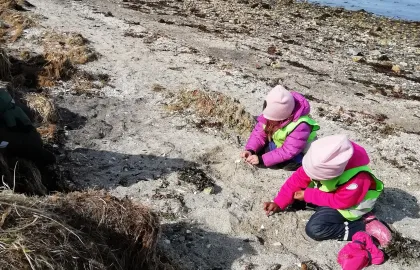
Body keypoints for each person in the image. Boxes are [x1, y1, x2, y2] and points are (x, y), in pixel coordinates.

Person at [263, 134, 392, 247]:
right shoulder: (321, 159)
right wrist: (279, 202)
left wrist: (309, 195)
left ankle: (365, 226)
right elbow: (297, 179)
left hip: (351, 207)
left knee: (315, 229)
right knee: (294, 200)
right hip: (333, 195)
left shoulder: (358, 178)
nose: (311, 176)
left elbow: (341, 202)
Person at [241, 85, 319, 170]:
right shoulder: (269, 114)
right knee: (261, 152)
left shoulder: (301, 125)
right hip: (280, 144)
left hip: (299, 153)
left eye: (271, 119)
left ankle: (299, 164)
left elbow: (289, 151)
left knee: (285, 165)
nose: (267, 120)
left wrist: (262, 159)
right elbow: (258, 134)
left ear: (281, 118)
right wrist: (251, 150)